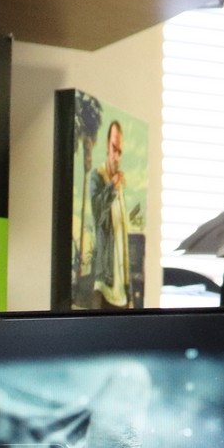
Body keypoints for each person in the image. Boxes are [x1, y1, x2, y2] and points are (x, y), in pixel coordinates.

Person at [89, 121, 134, 309]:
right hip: (104, 284)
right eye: (114, 149)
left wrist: (129, 291)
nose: (116, 156)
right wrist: (111, 186)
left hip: (120, 290)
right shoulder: (98, 177)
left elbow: (123, 238)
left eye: (120, 152)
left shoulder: (119, 186)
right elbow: (98, 213)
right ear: (107, 146)